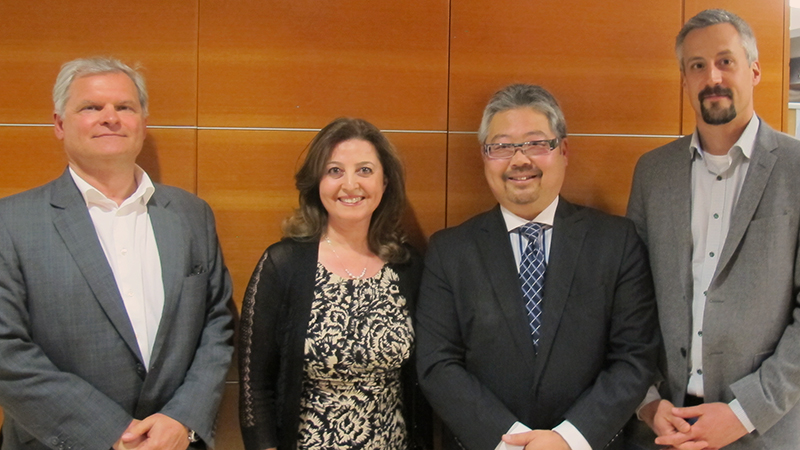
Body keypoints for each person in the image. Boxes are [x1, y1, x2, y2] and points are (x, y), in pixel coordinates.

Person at [0, 57, 234, 450]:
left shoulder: (192, 215)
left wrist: (183, 417)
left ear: (143, 122)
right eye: (91, 107)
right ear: (59, 124)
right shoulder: (10, 222)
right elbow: (6, 349)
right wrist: (112, 433)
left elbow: (218, 323)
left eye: (124, 107)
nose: (110, 118)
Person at [415, 83, 660, 450]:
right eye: (501, 146)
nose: (519, 160)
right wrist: (510, 443)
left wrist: (567, 440)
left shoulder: (616, 241)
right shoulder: (449, 251)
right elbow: (437, 365)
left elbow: (634, 357)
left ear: (563, 150)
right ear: (484, 157)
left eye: (535, 143)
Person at [625, 9, 800, 450]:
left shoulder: (796, 169)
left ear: (755, 70)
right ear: (684, 79)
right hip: (665, 428)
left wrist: (744, 413)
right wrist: (646, 400)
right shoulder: (653, 173)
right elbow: (629, 299)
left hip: (764, 429)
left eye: (726, 61)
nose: (712, 76)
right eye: (697, 66)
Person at [238, 117, 430, 450]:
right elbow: (255, 386)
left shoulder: (408, 267)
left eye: (365, 170)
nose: (350, 184)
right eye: (335, 171)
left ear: (385, 184)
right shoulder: (283, 264)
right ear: (317, 184)